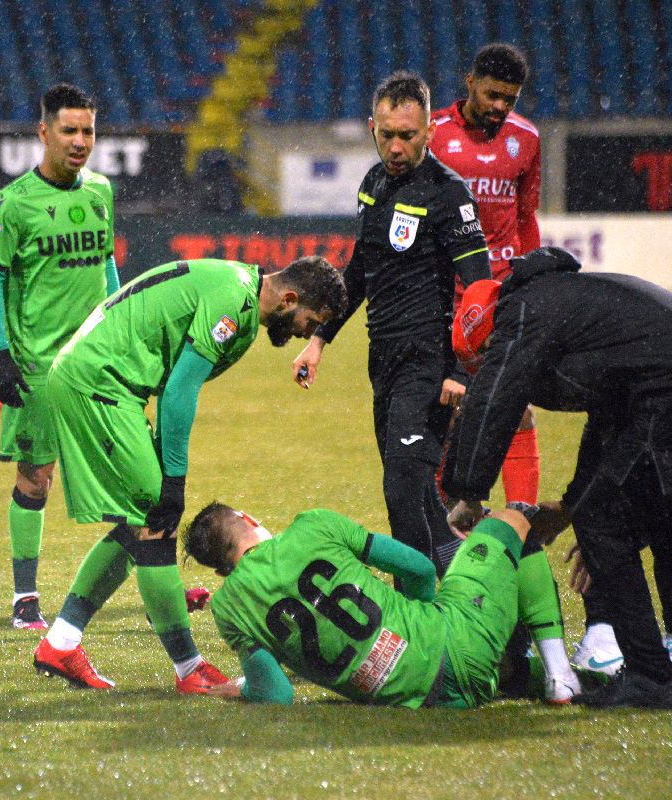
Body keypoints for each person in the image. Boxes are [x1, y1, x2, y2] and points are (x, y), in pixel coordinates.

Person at [444, 247, 672, 709]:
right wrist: (570, 505)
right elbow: (612, 417)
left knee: (605, 523)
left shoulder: (521, 313)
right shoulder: (573, 306)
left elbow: (499, 396)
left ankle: (651, 676)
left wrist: (468, 492)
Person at [33, 256, 347, 693]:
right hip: (100, 385)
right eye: (310, 322)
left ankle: (62, 643)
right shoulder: (232, 304)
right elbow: (179, 391)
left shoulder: (234, 285)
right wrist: (175, 481)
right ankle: (189, 669)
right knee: (157, 519)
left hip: (104, 381)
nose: (305, 333)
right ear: (289, 299)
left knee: (140, 520)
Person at [429, 43, 583, 702]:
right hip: (445, 307)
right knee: (448, 457)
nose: (499, 108)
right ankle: (477, 619)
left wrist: (529, 290)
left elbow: (524, 220)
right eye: (490, 94)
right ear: (469, 83)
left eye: (509, 99)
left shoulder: (525, 140)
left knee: (515, 428)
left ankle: (529, 642)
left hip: (505, 305)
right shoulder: (432, 135)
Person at [293, 72, 492, 579]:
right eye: (387, 134)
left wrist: (462, 373)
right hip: (382, 360)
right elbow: (360, 272)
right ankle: (475, 591)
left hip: (429, 363)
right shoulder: (373, 184)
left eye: (408, 134)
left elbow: (480, 290)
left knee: (404, 490)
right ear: (372, 128)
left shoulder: (449, 195)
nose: (396, 146)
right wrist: (319, 339)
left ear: (429, 130)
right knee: (420, 497)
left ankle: (418, 615)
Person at [0, 83, 120, 630]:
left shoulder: (100, 193)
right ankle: (25, 597)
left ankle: (156, 580)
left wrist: (117, 328)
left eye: (88, 130)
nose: (81, 141)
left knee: (129, 472)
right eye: (69, 130)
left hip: (94, 363)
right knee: (37, 478)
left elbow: (106, 267)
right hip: (37, 365)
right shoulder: (13, 204)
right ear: (44, 132)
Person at [183, 502, 534, 707]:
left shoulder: (227, 607)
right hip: (457, 643)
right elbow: (420, 569)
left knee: (503, 672)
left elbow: (276, 694)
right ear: (249, 519)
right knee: (510, 519)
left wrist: (243, 690)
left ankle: (555, 677)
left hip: (432, 701)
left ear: (220, 570)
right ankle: (560, 663)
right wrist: (424, 633)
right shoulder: (313, 525)